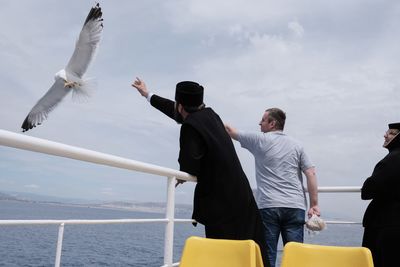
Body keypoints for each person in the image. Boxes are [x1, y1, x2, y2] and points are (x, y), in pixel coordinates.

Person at [131, 78, 269, 266]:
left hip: (222, 207)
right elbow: (176, 110)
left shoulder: (191, 126)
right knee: (250, 256)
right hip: (243, 199)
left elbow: (190, 164)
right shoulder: (211, 115)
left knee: (224, 257)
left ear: (181, 105)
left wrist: (182, 175)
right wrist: (147, 95)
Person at [225, 108, 320, 267]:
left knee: (267, 256)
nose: (259, 123)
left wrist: (205, 114)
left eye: (263, 120)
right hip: (295, 206)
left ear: (272, 123)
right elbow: (311, 173)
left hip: (269, 207)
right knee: (296, 256)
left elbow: (229, 130)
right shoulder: (297, 145)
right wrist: (314, 204)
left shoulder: (259, 140)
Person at [361, 122, 400, 267]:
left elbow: (367, 191)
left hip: (386, 225)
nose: (385, 135)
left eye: (391, 133)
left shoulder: (391, 160)